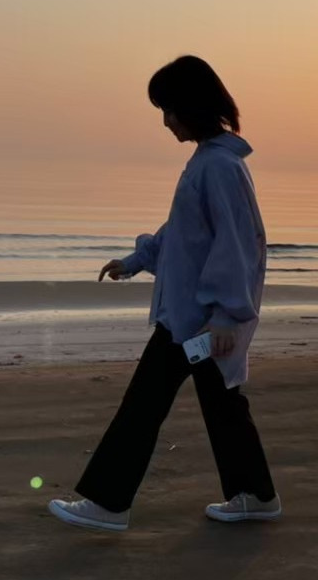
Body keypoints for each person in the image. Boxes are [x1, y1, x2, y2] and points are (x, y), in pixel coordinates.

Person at [49, 55, 279, 532]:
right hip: (195, 317)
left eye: (169, 109)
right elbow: (184, 235)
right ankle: (255, 495)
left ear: (193, 106)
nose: (166, 121)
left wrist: (224, 315)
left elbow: (237, 244)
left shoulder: (219, 166)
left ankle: (109, 503)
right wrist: (137, 260)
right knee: (222, 406)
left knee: (144, 405)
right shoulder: (207, 161)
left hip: (197, 320)